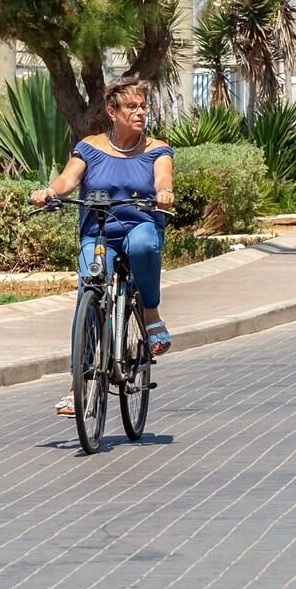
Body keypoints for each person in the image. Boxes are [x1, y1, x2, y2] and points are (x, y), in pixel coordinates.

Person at [30, 78, 176, 416]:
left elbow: (163, 178)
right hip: (98, 232)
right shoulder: (90, 147)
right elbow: (67, 180)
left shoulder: (157, 149)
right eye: (132, 107)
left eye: (144, 106)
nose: (140, 113)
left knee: (143, 245)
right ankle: (78, 385)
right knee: (90, 288)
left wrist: (165, 192)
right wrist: (49, 192)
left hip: (139, 224)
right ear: (112, 111)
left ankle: (150, 314)